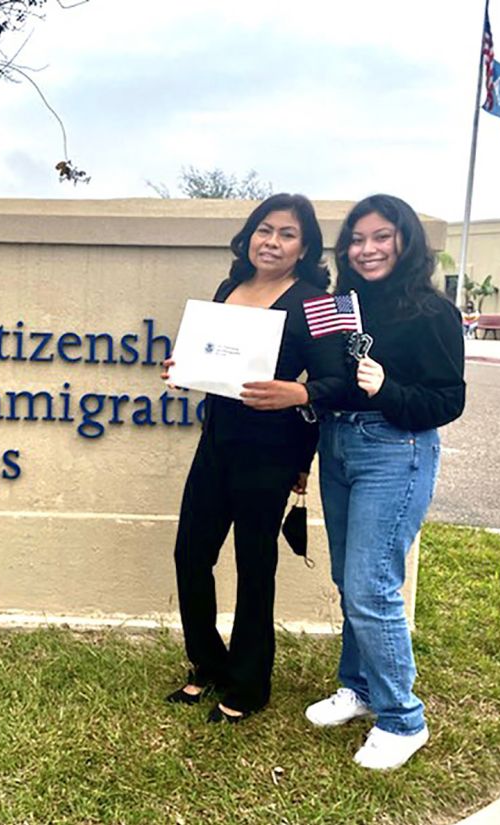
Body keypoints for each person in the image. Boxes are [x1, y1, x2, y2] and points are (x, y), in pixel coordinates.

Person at [162, 193, 344, 724]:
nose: (273, 241)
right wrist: (185, 366)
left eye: (287, 234)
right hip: (217, 439)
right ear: (249, 235)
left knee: (254, 564)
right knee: (190, 553)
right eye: (265, 230)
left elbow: (338, 383)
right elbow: (215, 359)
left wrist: (299, 393)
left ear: (305, 247)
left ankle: (249, 683)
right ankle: (208, 662)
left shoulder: (316, 302)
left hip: (273, 447)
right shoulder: (229, 288)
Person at [304, 194, 465, 770]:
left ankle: (403, 719)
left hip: (396, 449)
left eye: (381, 237)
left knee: (371, 584)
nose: (367, 249)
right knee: (350, 579)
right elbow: (330, 382)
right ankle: (362, 688)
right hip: (339, 443)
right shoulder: (340, 306)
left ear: (405, 241)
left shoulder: (430, 311)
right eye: (357, 239)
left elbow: (448, 400)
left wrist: (386, 389)